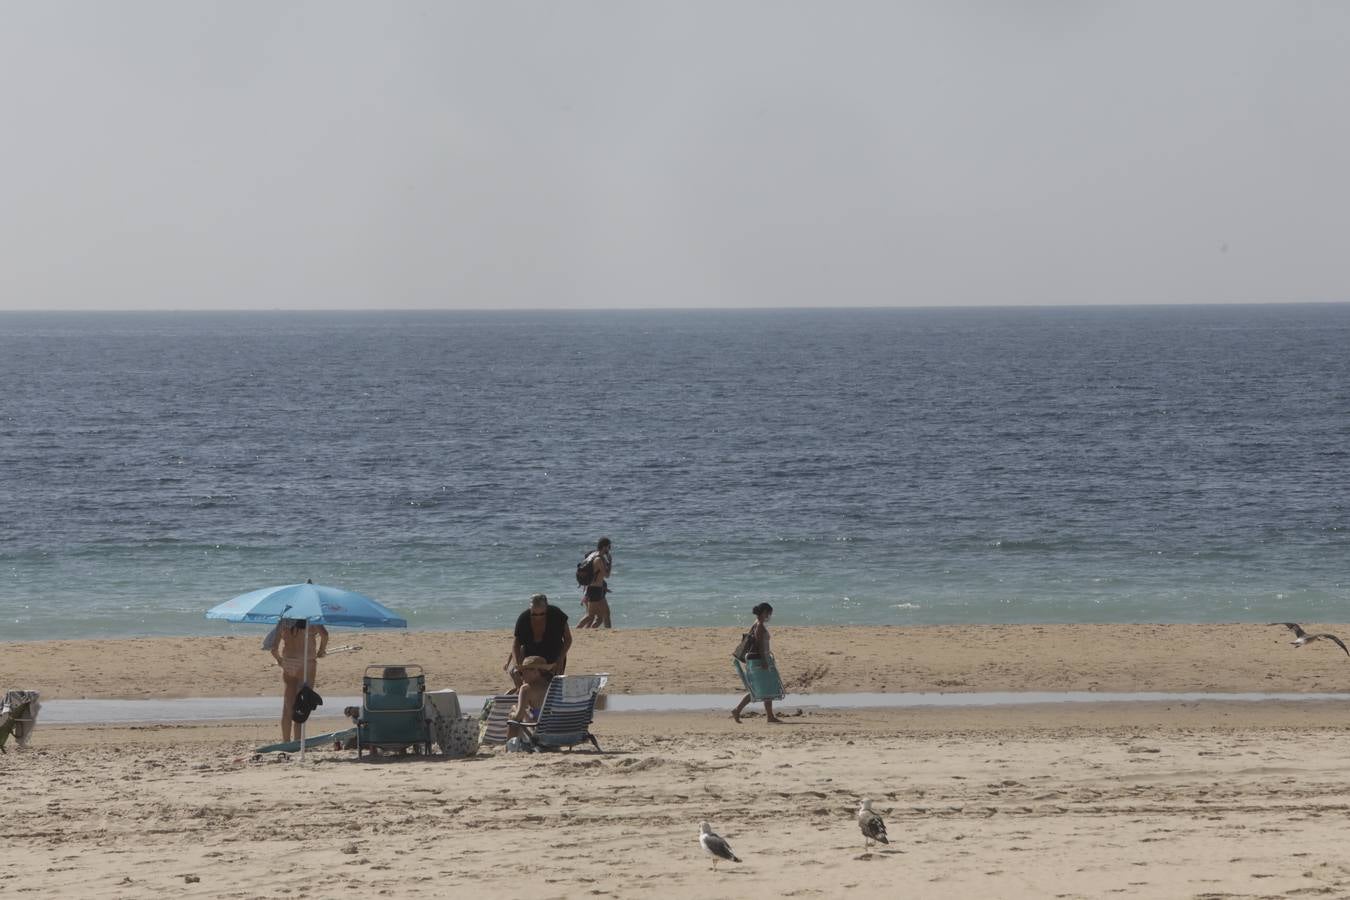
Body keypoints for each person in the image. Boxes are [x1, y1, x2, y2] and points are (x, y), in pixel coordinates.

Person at [271, 617, 328, 741]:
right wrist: (321, 650)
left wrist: (280, 660)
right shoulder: (312, 619)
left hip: (289, 662)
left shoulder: (284, 621)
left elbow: (274, 648)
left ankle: (286, 741)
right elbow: (324, 634)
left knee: (288, 706)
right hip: (307, 664)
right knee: (302, 705)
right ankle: (297, 741)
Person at [732, 603, 782, 724]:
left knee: (765, 689)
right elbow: (759, 645)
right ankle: (738, 710)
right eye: (769, 613)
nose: (770, 616)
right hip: (760, 660)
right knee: (758, 689)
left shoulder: (756, 624)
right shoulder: (759, 626)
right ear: (764, 612)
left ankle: (769, 716)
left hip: (759, 659)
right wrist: (764, 661)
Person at [512, 592, 572, 676]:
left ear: (546, 609)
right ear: (530, 609)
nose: (538, 617)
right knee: (521, 678)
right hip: (531, 656)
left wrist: (561, 658)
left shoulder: (557, 615)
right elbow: (516, 644)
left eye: (542, 614)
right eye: (534, 614)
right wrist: (516, 664)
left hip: (554, 653)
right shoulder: (524, 618)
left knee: (554, 683)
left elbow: (568, 639)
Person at [507, 656, 553, 739]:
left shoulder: (526, 689)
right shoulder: (555, 686)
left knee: (513, 715)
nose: (521, 676)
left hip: (539, 730)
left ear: (536, 672)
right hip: (556, 728)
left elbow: (518, 717)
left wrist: (513, 712)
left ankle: (509, 745)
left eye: (522, 672)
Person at [576, 537, 613, 629]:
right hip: (594, 590)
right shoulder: (598, 559)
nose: (609, 549)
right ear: (604, 547)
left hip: (598, 589)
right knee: (590, 616)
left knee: (606, 614)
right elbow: (607, 575)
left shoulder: (594, 555)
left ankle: (609, 633)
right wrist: (610, 562)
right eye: (609, 547)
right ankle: (577, 630)